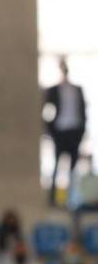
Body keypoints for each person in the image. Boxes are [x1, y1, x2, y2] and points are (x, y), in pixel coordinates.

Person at [43, 57, 88, 205]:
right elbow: (46, 110)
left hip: (75, 131)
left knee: (73, 168)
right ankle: (53, 198)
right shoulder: (53, 89)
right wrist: (51, 130)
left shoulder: (77, 89)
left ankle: (72, 198)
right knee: (57, 165)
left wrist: (81, 130)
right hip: (60, 131)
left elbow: (83, 111)